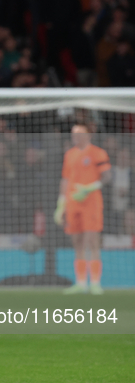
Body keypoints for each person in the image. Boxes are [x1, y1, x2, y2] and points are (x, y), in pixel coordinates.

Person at [54, 124, 111, 294]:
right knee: (77, 242)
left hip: (91, 202)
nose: (75, 137)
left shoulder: (98, 153)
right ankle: (80, 282)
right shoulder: (69, 155)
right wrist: (61, 204)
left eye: (79, 134)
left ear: (88, 135)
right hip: (73, 203)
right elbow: (65, 179)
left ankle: (95, 283)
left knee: (92, 241)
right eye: (73, 134)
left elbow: (107, 176)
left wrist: (89, 188)